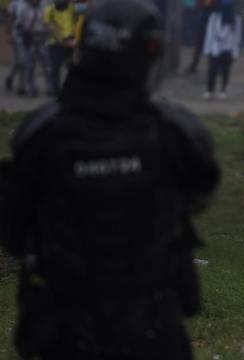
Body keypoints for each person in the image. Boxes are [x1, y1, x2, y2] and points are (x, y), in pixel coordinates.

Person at [0, 0, 220, 358]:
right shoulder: (177, 133)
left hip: (66, 333)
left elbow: (13, 232)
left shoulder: (39, 134)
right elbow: (201, 197)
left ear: (84, 48)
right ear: (150, 54)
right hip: (151, 330)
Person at [202, 0, 242, 100]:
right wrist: (207, 49)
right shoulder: (214, 17)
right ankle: (209, 90)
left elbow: (237, 37)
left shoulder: (236, 19)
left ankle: (223, 90)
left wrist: (235, 52)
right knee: (212, 71)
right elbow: (209, 34)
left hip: (228, 49)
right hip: (215, 48)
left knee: (225, 71)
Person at [42, 0, 76, 95]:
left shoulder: (71, 8)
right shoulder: (50, 10)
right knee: (55, 68)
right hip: (55, 43)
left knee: (72, 67)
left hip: (71, 41)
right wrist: (63, 40)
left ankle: (71, 89)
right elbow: (48, 25)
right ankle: (56, 91)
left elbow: (85, 10)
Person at [184, 0, 218, 74]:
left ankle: (213, 67)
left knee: (212, 42)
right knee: (201, 40)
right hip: (206, 12)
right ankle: (195, 65)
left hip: (213, 14)